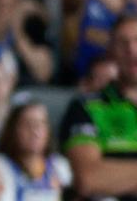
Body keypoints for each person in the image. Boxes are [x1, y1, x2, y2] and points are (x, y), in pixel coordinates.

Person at [59, 13, 137, 200]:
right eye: (122, 43)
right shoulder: (87, 107)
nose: (132, 50)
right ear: (111, 52)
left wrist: (118, 175)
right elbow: (88, 179)